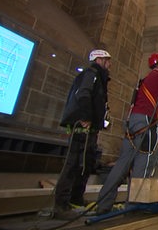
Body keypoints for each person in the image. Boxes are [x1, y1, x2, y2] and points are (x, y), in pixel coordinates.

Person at [95, 52, 158, 215]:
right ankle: (135, 204)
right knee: (143, 164)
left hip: (132, 124)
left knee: (122, 164)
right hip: (146, 123)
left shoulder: (144, 81)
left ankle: (104, 202)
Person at [53, 49, 112, 219]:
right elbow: (83, 94)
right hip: (82, 127)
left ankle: (76, 199)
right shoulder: (91, 74)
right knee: (73, 164)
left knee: (85, 164)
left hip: (91, 128)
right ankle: (61, 205)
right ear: (99, 60)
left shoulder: (99, 78)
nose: (109, 65)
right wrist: (86, 117)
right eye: (107, 61)